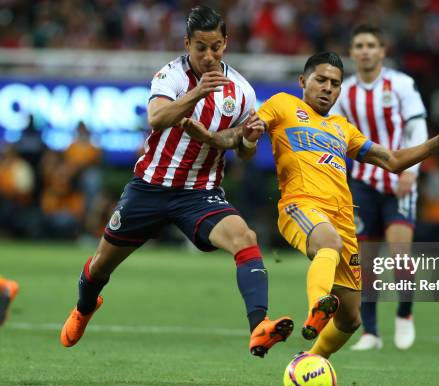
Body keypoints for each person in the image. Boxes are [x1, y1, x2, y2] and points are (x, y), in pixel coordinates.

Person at [184, 52, 439, 359]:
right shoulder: (283, 104)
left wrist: (438, 142)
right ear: (303, 81)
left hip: (343, 222)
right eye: (320, 80)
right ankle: (317, 306)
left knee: (351, 318)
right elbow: (244, 135)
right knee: (329, 243)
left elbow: (391, 160)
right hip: (301, 206)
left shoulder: (342, 127)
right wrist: (228, 138)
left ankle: (309, 361)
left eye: (334, 84)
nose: (327, 88)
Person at [59, 5, 293, 358]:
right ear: (187, 44)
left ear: (226, 43)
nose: (209, 56)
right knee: (101, 264)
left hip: (200, 193)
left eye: (216, 47)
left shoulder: (241, 91)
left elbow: (240, 150)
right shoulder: (170, 76)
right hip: (150, 187)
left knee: (245, 238)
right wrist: (198, 92)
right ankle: (84, 308)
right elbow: (156, 117)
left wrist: (246, 139)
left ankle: (259, 326)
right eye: (201, 48)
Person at [332, 24, 426, 351]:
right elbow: (336, 135)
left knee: (400, 254)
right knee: (364, 261)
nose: (366, 50)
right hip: (363, 182)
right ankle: (370, 332)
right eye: (359, 45)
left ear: (382, 51)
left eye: (372, 44)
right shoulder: (344, 92)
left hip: (399, 180)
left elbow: (417, 127)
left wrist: (412, 171)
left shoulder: (400, 84)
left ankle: (404, 313)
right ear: (353, 51)